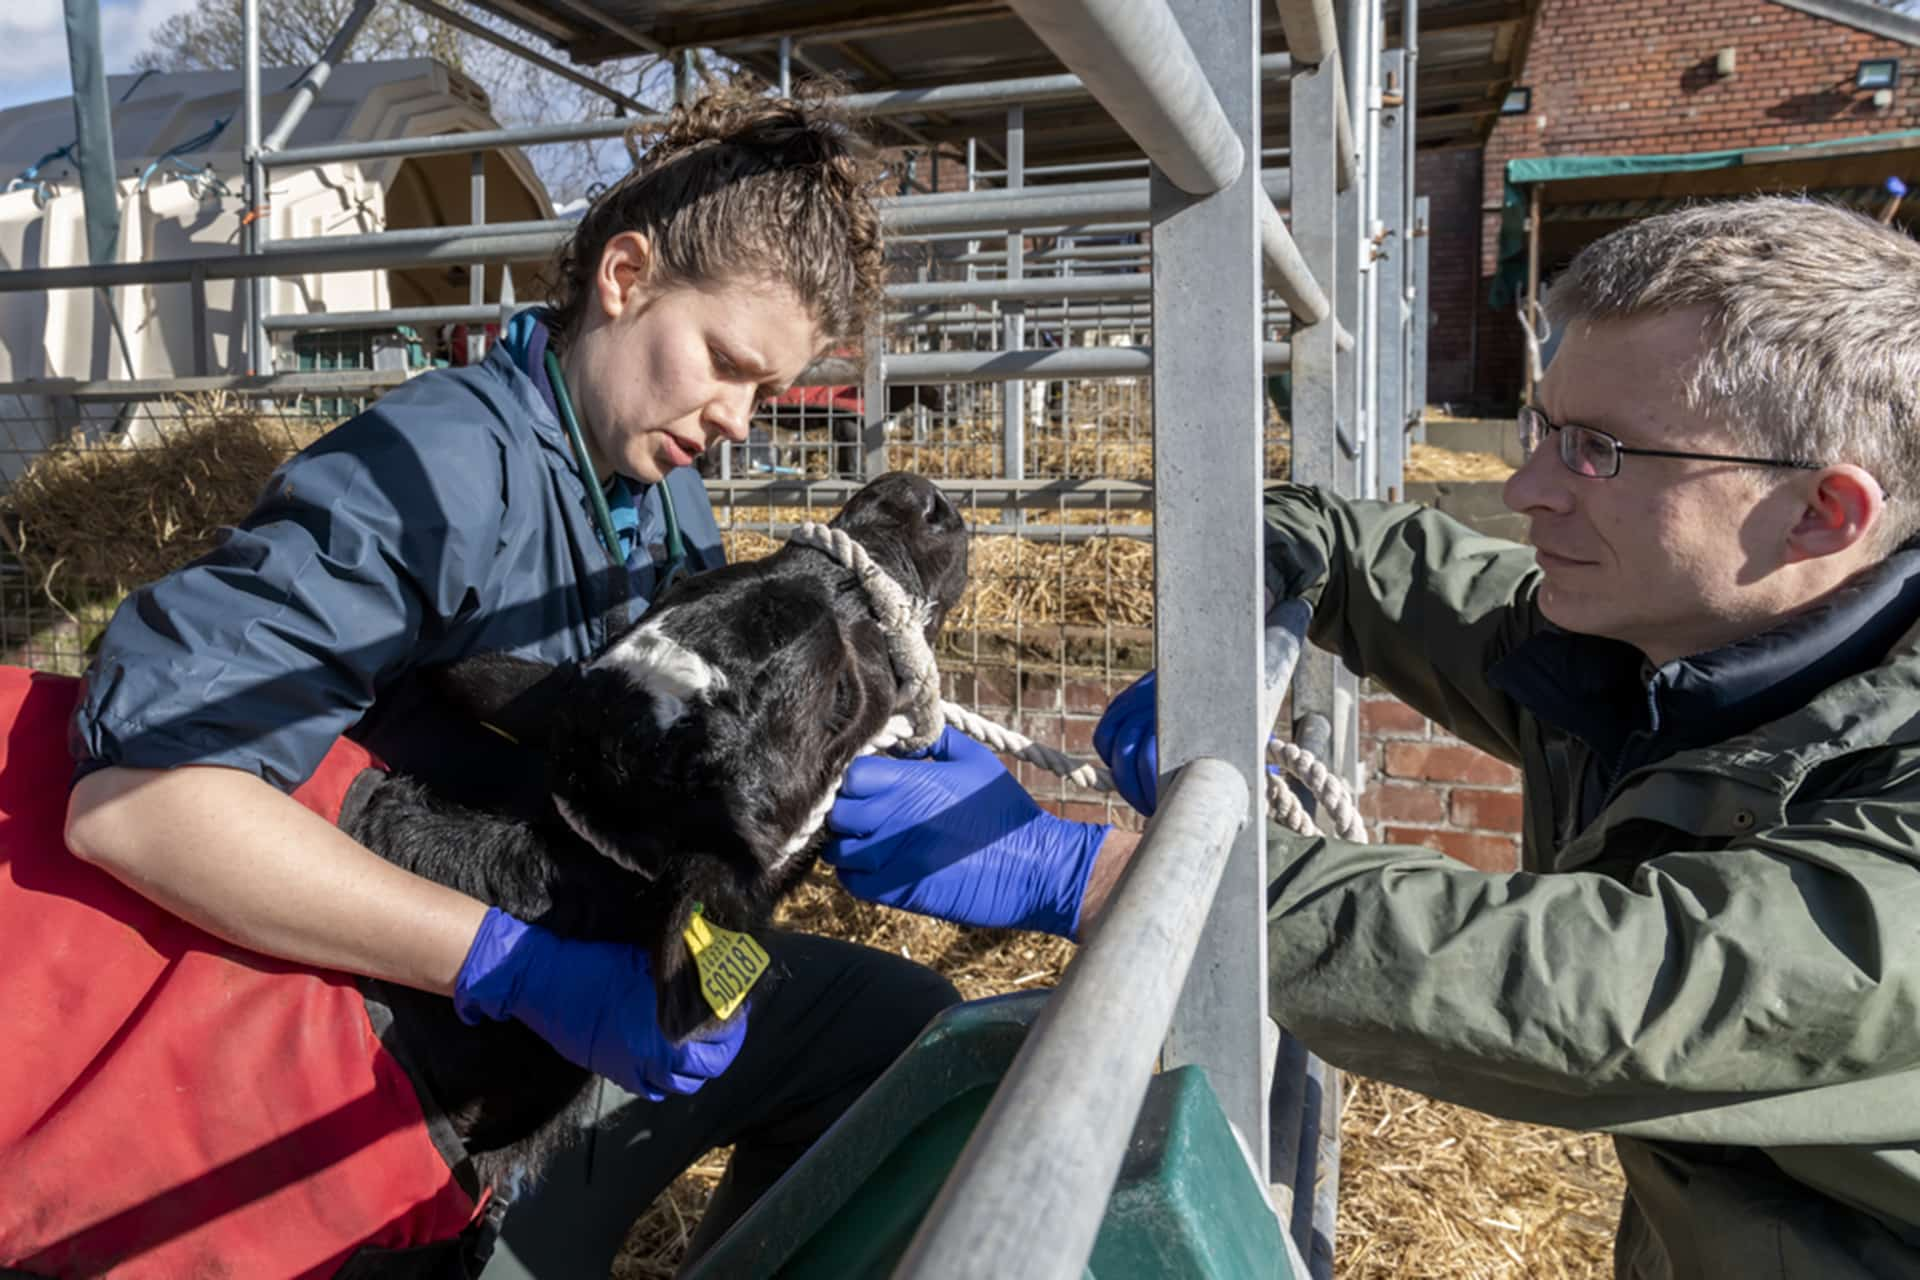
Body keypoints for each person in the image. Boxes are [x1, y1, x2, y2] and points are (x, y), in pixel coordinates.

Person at [818, 196, 1920, 1278]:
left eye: (1598, 452)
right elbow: (1365, 552)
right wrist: (1237, 605)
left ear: (1824, 512)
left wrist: (1114, 874)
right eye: (1543, 427)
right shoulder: (1669, 643)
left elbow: (1620, 987)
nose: (1524, 486)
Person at [62, 88, 958, 1275]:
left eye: (767, 386)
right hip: (390, 1053)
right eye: (727, 365)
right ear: (625, 277)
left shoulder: (656, 485)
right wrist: (508, 965)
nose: (740, 419)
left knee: (904, 1034)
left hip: (576, 1004)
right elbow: (139, 799)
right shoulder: (428, 480)